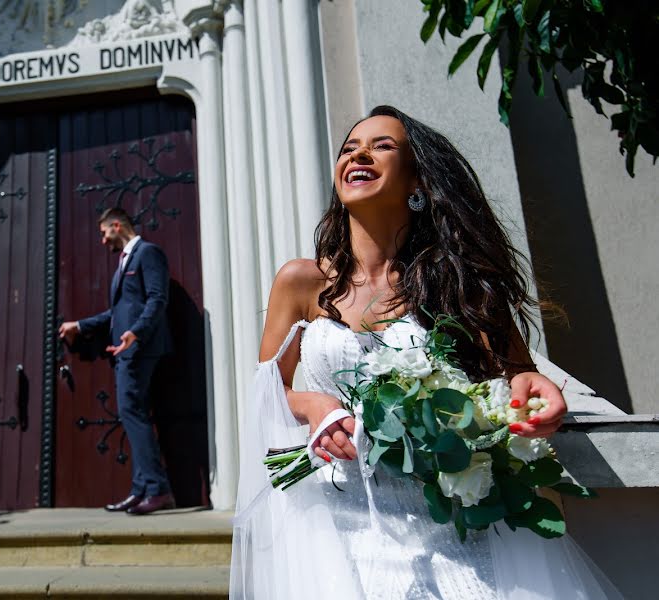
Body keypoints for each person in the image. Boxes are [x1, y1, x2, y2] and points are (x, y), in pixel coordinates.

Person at [229, 106, 620, 599]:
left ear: (417, 182)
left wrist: (536, 398)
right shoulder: (301, 281)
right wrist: (315, 405)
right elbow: (270, 390)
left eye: (382, 146)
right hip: (340, 520)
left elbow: (518, 377)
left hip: (447, 519)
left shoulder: (460, 282)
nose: (359, 154)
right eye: (349, 148)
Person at [59, 207, 175, 515]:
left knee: (131, 413)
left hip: (139, 348)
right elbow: (121, 311)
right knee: (132, 414)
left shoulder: (148, 253)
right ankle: (140, 490)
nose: (102, 240)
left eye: (102, 233)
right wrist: (81, 325)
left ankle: (157, 489)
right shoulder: (124, 261)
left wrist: (135, 333)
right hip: (127, 349)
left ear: (116, 225)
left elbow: (157, 299)